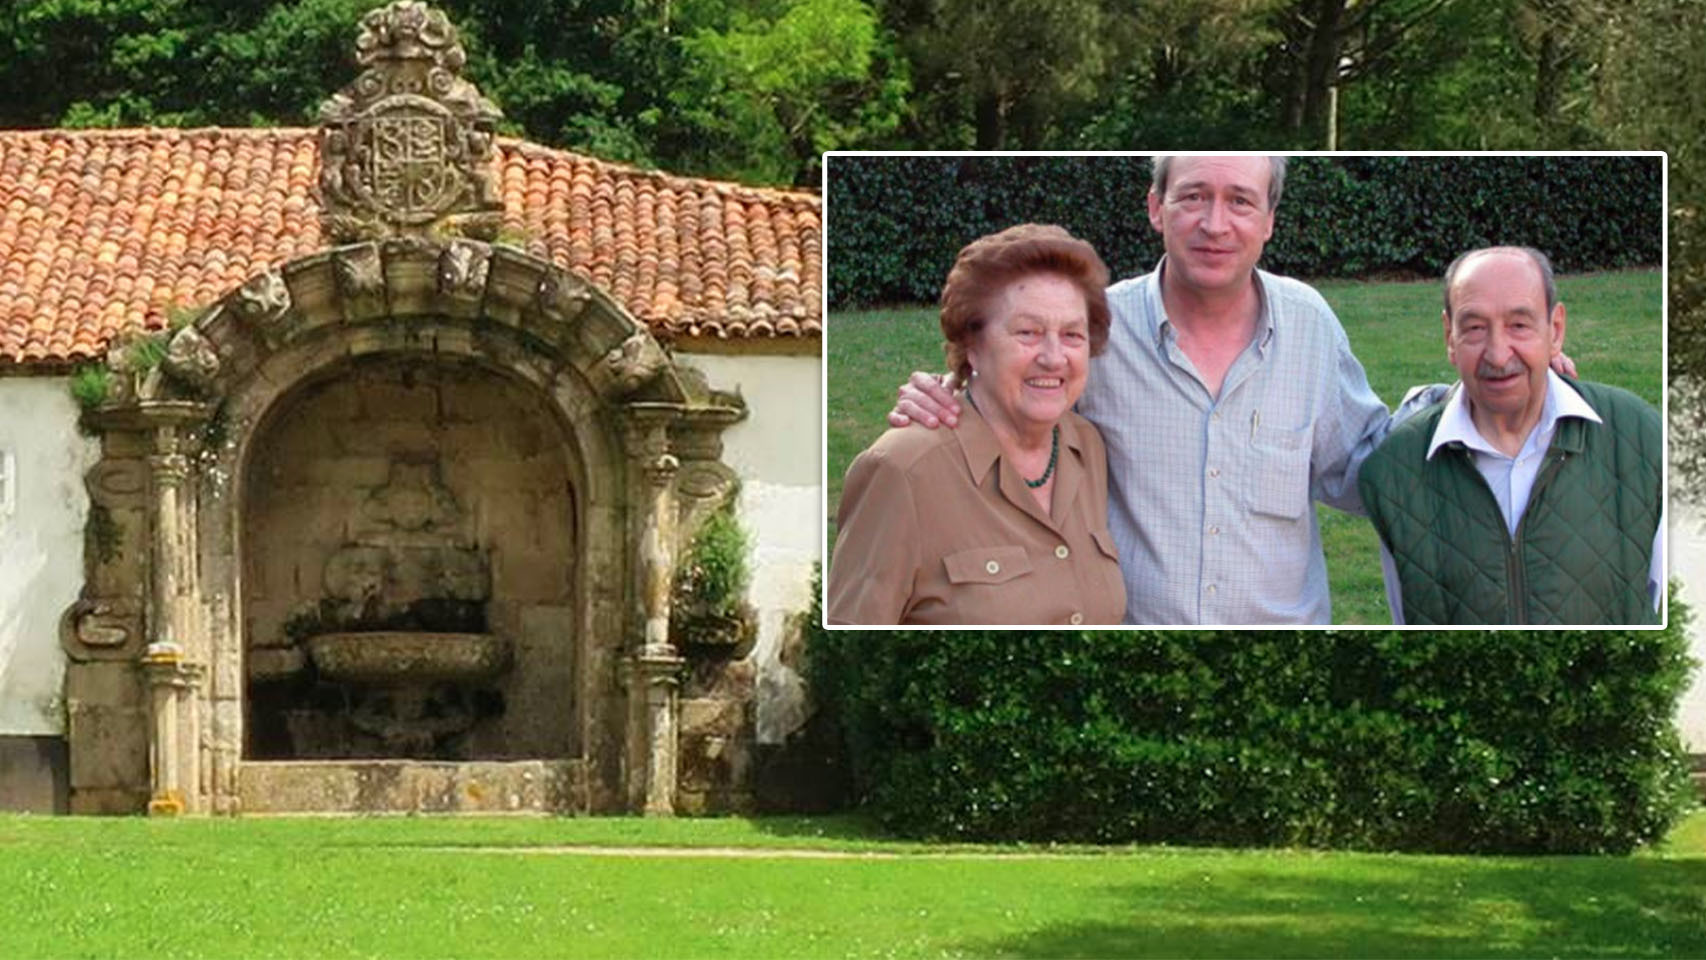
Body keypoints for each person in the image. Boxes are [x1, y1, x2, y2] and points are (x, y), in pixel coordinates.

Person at [894, 156, 1395, 623]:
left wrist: (1439, 424)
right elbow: (1009, 411)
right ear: (1156, 208)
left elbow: (1368, 470)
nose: (1215, 224)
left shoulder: (1309, 326)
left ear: (1269, 220)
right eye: (1193, 197)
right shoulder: (1096, 332)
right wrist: (946, 398)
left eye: (1240, 201)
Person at [827, 224, 1126, 625]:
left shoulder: (1086, 446)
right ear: (972, 344)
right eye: (1028, 332)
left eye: (1072, 335)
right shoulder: (903, 471)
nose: (1054, 357)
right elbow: (851, 638)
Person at [1357, 246, 1662, 624]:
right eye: (1475, 328)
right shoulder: (1396, 472)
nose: (1498, 355)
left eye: (1519, 325)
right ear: (1450, 337)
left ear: (1555, 330)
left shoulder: (1641, 439)